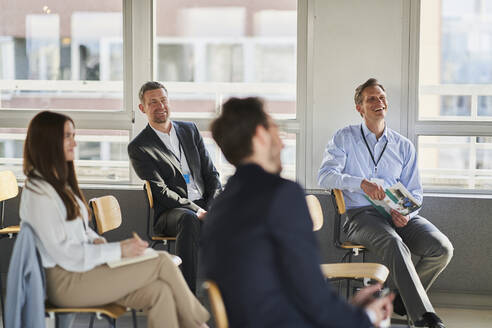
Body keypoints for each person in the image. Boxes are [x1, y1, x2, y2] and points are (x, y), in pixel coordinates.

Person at [202, 97, 393, 328]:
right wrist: (367, 317)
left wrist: (350, 309)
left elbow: (278, 289)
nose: (282, 144)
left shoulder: (220, 205)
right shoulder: (281, 194)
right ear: (261, 135)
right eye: (276, 131)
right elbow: (313, 296)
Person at [20, 111, 209, 328]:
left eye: (74, 135)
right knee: (163, 262)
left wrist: (95, 239)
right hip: (67, 282)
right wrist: (119, 250)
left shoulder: (58, 184)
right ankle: (200, 325)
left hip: (84, 270)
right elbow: (65, 254)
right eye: (67, 136)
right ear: (47, 141)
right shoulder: (38, 193)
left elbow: (78, 228)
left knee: (160, 292)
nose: (75, 142)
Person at [318, 78, 454, 328]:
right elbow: (325, 176)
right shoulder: (344, 137)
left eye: (381, 97)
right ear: (360, 108)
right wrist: (361, 183)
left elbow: (415, 192)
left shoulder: (403, 146)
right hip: (361, 215)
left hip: (397, 214)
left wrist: (408, 215)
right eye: (371, 98)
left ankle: (395, 298)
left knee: (441, 248)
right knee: (394, 242)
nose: (379, 102)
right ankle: (423, 317)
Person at [128, 81, 221, 293]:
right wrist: (198, 211)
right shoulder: (139, 147)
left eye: (163, 100)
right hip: (172, 212)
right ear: (143, 108)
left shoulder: (190, 130)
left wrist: (213, 209)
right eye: (153, 102)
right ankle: (186, 300)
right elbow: (161, 191)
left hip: (205, 204)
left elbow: (212, 175)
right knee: (189, 219)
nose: (160, 106)